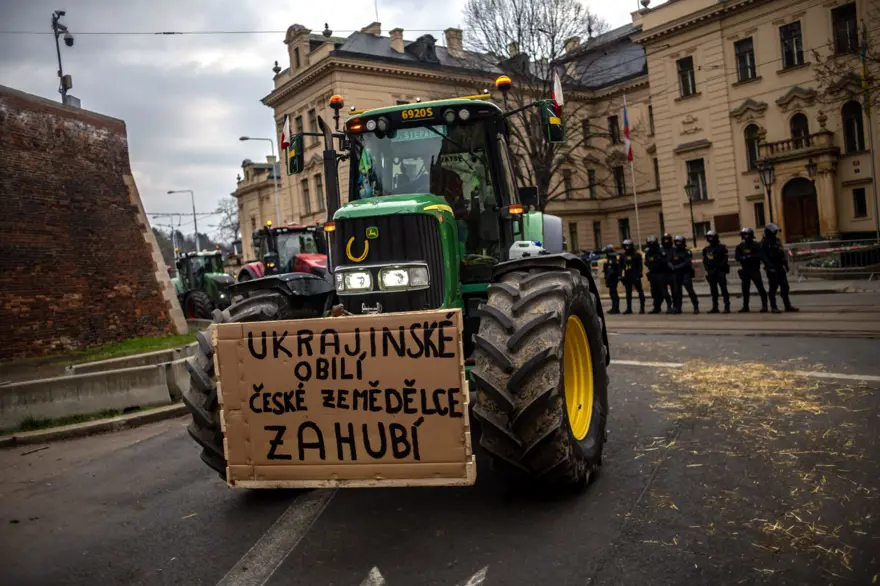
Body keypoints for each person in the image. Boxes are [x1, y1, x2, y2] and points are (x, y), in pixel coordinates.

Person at [761, 223, 799, 313]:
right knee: (773, 287)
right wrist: (769, 267)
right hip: (771, 267)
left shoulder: (777, 241)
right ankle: (773, 306)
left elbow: (782, 253)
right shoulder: (764, 243)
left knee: (785, 286)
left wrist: (785, 264)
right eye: (773, 232)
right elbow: (763, 256)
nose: (775, 233)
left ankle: (787, 305)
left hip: (779, 266)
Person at [735, 227, 768, 313]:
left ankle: (765, 305)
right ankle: (745, 306)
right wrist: (742, 258)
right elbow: (737, 257)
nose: (745, 236)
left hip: (754, 269)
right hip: (745, 270)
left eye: (746, 235)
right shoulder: (740, 246)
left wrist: (751, 256)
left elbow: (761, 255)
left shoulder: (756, 245)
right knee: (745, 289)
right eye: (744, 235)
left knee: (760, 287)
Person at [669, 235, 699, 314]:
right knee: (677, 292)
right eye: (676, 242)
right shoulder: (673, 251)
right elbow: (669, 261)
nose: (678, 243)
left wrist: (677, 267)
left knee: (690, 291)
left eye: (679, 242)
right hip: (677, 274)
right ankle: (678, 308)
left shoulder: (687, 251)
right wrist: (671, 266)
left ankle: (696, 306)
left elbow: (687, 263)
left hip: (685, 273)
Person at [702, 230, 730, 313]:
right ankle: (715, 307)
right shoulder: (706, 249)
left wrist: (718, 267)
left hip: (720, 271)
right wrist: (708, 270)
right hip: (711, 272)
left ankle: (727, 306)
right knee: (713, 290)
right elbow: (705, 260)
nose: (710, 239)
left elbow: (725, 259)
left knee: (723, 289)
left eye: (711, 237)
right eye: (708, 237)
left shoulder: (722, 247)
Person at [644, 236, 672, 314]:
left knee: (663, 291)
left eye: (652, 243)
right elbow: (646, 262)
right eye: (649, 243)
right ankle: (656, 307)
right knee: (654, 292)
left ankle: (669, 306)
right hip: (652, 273)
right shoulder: (648, 252)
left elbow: (666, 261)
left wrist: (660, 261)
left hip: (661, 273)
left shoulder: (660, 250)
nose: (651, 244)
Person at [620, 239, 646, 314]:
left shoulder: (636, 255)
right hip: (627, 276)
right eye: (626, 246)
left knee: (640, 291)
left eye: (628, 246)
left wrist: (639, 274)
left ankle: (642, 308)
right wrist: (620, 276)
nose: (627, 247)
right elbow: (620, 267)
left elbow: (640, 266)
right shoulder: (623, 256)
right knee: (628, 293)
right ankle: (629, 308)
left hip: (635, 275)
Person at [603, 244, 621, 314]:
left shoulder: (611, 260)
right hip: (614, 278)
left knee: (613, 294)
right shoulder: (613, 258)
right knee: (614, 293)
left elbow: (610, 271)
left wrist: (608, 279)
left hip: (612, 279)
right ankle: (615, 308)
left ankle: (615, 309)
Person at [660, 233, 676, 312]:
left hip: (672, 272)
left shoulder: (674, 249)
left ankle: (675, 306)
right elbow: (658, 259)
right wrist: (664, 262)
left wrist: (673, 265)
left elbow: (676, 259)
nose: (666, 241)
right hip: (663, 272)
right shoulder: (660, 249)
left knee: (674, 291)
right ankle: (669, 303)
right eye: (665, 239)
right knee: (663, 291)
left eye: (667, 239)